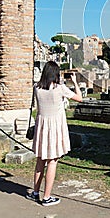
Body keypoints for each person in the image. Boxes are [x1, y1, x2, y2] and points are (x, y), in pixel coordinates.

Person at [26, 61, 82, 206]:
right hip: (55, 126)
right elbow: (79, 98)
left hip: (42, 126)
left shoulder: (36, 88)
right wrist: (75, 82)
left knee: (40, 162)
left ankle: (36, 193)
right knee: (52, 161)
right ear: (55, 74)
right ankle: (47, 197)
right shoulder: (60, 88)